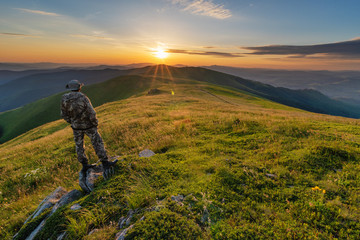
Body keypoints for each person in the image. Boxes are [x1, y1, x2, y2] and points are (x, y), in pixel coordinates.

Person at [61, 79, 117, 178]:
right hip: (88, 126)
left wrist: (72, 121)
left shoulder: (64, 98)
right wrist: (95, 123)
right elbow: (91, 112)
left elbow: (63, 114)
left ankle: (84, 165)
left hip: (76, 127)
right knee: (97, 142)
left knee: (79, 145)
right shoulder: (83, 97)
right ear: (79, 87)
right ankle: (105, 162)